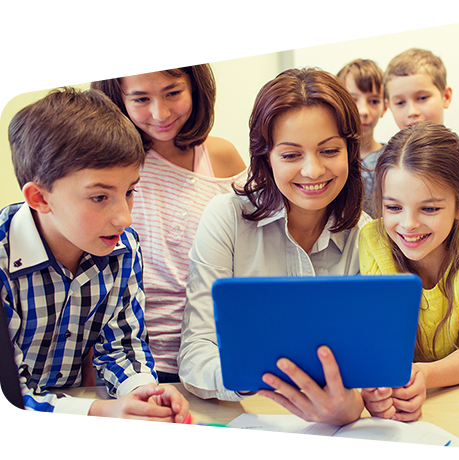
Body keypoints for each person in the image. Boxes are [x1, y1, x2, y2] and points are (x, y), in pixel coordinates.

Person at [178, 68, 371, 425]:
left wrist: (354, 401)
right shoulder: (227, 218)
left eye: (329, 150)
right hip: (250, 416)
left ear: (351, 151)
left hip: (340, 425)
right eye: (291, 155)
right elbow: (196, 352)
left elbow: (371, 358)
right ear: (265, 156)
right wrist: (254, 380)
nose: (313, 171)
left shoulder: (367, 234)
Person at [2, 87, 189, 421]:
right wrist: (103, 411)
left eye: (130, 191)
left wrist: (143, 394)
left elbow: (122, 346)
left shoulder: (123, 246)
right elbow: (9, 396)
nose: (125, 217)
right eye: (100, 197)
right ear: (40, 198)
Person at [91, 65, 247, 383]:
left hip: (214, 358)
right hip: (129, 363)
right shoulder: (106, 168)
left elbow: (250, 250)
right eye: (140, 99)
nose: (160, 113)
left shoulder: (222, 156)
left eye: (172, 93)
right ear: (118, 99)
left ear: (194, 87)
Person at [359, 121, 459, 421]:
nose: (409, 224)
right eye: (393, 208)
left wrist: (423, 376)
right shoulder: (373, 241)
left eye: (429, 209)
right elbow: (383, 348)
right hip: (406, 394)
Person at [383, 48, 459, 213]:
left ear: (445, 97)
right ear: (388, 106)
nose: (412, 111)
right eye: (400, 103)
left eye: (422, 98)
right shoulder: (383, 165)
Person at [336, 59, 387, 217]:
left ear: (385, 107)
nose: (363, 111)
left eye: (373, 101)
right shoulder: (329, 159)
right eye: (353, 99)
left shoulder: (392, 158)